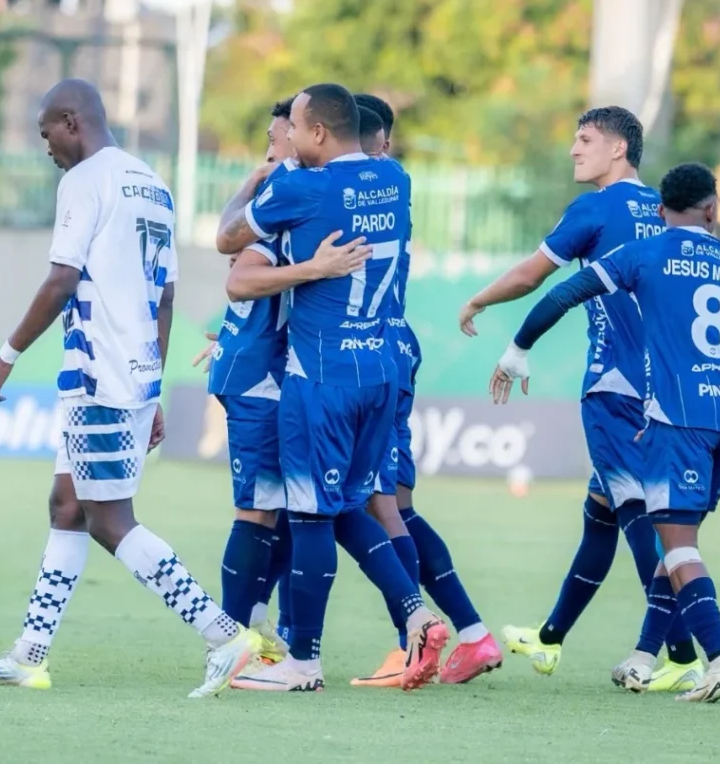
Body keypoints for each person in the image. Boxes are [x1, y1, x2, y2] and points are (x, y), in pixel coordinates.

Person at [0, 79, 260, 699]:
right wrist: (151, 386)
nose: (47, 149)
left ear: (72, 121)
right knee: (66, 506)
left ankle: (223, 635)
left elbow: (62, 279)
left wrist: (6, 354)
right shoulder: (152, 183)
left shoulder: (86, 180)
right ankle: (29, 655)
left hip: (97, 373)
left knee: (108, 520)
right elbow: (167, 295)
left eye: (47, 134)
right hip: (129, 372)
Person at [493, 162, 720, 703]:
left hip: (676, 418)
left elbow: (565, 294)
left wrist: (519, 349)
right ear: (713, 209)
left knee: (678, 545)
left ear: (661, 212)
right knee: (673, 541)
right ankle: (644, 654)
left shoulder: (647, 252)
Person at [215, 83, 449, 692]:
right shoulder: (393, 178)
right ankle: (415, 612)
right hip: (381, 372)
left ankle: (303, 662)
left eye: (293, 127)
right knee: (349, 505)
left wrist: (269, 179)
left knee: (311, 517)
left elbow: (229, 240)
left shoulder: (299, 188)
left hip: (321, 379)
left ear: (318, 132)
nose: (287, 138)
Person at [459, 107, 701, 692]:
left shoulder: (596, 208)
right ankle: (550, 641)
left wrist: (480, 302)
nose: (573, 149)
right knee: (600, 515)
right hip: (666, 389)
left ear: (618, 150)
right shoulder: (665, 212)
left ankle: (682, 649)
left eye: (586, 139)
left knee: (639, 516)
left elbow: (531, 275)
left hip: (614, 386)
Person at [204, 99, 372, 664]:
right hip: (257, 377)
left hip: (284, 371)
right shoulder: (284, 197)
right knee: (259, 508)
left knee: (290, 506)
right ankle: (230, 635)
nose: (287, 142)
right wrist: (313, 269)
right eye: (281, 135)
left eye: (292, 131)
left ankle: (254, 623)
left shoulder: (310, 196)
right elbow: (239, 277)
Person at [351, 94, 503, 689]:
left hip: (368, 351)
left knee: (371, 505)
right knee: (397, 508)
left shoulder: (366, 182)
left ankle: (411, 642)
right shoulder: (390, 182)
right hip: (394, 344)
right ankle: (470, 634)